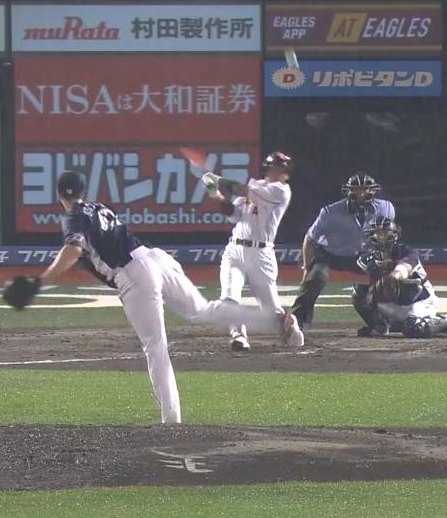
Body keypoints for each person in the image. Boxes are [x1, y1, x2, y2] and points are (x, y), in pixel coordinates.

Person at [16, 171, 304, 425]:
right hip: (156, 258)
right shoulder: (99, 207)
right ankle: (274, 321)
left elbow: (73, 249)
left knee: (156, 347)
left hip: (133, 274)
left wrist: (40, 281)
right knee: (203, 309)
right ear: (84, 192)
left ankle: (172, 424)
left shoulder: (73, 217)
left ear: (58, 195)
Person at [210, 151, 294, 351]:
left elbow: (240, 189)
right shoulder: (257, 187)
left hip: (261, 254)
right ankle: (239, 336)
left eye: (283, 169)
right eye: (277, 168)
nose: (281, 172)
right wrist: (217, 196)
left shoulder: (281, 191)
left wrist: (217, 180)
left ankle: (290, 328)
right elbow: (234, 215)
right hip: (235, 250)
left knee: (271, 311)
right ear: (268, 168)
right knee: (229, 297)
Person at [291, 172, 395, 328]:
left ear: (373, 190)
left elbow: (386, 235)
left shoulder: (386, 208)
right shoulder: (330, 212)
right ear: (348, 191)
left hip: (362, 255)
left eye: (365, 189)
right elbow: (310, 238)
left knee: (387, 277)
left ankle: (382, 319)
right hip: (329, 254)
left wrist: (385, 259)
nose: (361, 194)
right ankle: (298, 321)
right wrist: (306, 268)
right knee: (316, 278)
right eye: (356, 190)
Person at [352, 217, 447, 338]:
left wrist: (393, 277)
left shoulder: (406, 252)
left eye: (385, 233)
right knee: (359, 292)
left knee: (414, 328)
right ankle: (380, 326)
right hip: (393, 303)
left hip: (420, 301)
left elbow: (404, 268)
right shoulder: (367, 260)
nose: (382, 237)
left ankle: (445, 321)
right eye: (378, 233)